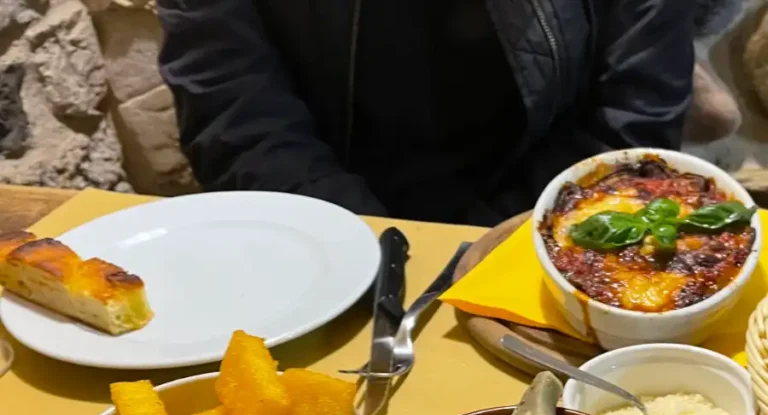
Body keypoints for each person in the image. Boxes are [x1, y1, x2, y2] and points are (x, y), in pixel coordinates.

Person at [157, 0, 695, 227]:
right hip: (331, 236)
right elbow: (232, 111)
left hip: (550, 225)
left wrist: (505, 238)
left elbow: (636, 106)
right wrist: (376, 244)